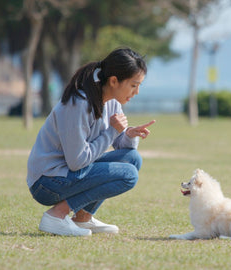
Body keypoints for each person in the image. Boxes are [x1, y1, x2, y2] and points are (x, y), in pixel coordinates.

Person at [26, 48, 155, 236]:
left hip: (68, 174)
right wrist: (112, 131)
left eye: (139, 86)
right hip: (47, 182)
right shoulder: (78, 104)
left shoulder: (112, 102)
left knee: (132, 159)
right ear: (113, 81)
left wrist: (128, 135)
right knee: (129, 174)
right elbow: (77, 161)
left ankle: (82, 218)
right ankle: (57, 215)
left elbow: (118, 145)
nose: (136, 92)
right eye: (133, 85)